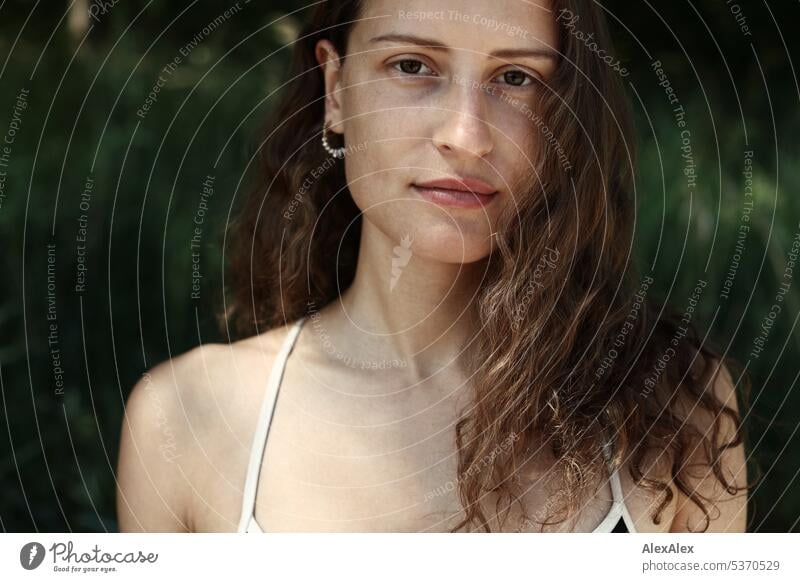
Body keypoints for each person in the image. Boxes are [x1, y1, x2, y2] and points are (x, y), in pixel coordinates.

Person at [116, 0, 750, 533]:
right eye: (412, 66)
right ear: (336, 91)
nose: (467, 135)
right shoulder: (184, 420)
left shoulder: (671, 404)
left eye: (516, 79)